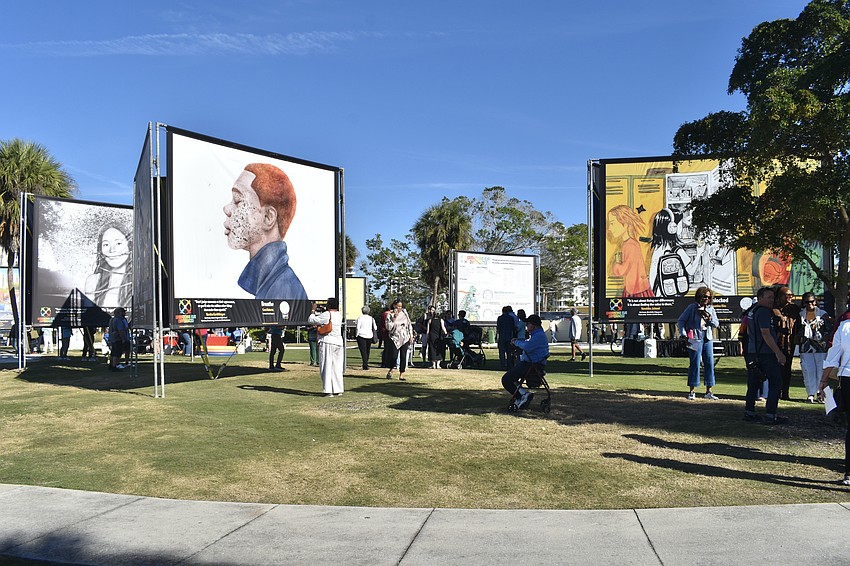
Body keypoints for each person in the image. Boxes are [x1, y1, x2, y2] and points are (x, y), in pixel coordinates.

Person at [222, 163, 307, 301]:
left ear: (268, 217)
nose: (226, 209)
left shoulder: (281, 289)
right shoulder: (271, 282)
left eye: (237, 200)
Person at [744, 287, 788, 424]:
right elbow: (766, 333)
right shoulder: (763, 312)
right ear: (760, 298)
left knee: (753, 383)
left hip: (753, 351)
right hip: (765, 353)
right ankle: (770, 414)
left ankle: (749, 412)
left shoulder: (752, 310)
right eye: (769, 297)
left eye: (772, 297)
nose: (772, 300)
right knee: (776, 382)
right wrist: (778, 352)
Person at [817, 314, 850, 486]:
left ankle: (849, 473)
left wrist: (823, 381)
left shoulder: (844, 327)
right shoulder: (844, 326)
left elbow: (833, 356)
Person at [677, 287, 720, 400]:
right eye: (704, 296)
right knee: (695, 364)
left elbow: (716, 324)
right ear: (699, 296)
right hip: (695, 338)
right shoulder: (692, 308)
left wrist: (709, 318)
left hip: (707, 338)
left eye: (709, 297)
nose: (706, 299)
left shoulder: (711, 309)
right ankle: (692, 391)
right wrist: (684, 334)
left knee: (709, 363)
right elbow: (681, 320)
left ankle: (709, 391)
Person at [501, 314, 549, 410]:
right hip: (532, 364)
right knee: (511, 376)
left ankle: (522, 396)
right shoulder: (537, 335)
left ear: (534, 326)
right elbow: (528, 345)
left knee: (506, 379)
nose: (526, 326)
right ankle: (523, 394)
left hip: (531, 365)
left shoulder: (538, 336)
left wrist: (516, 342)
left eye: (528, 324)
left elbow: (527, 347)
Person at [607, 204, 653, 297]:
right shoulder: (630, 243)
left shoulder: (629, 245)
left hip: (636, 291)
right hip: (636, 288)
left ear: (625, 223)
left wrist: (616, 262)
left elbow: (621, 271)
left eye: (612, 223)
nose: (609, 228)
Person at [84, 222, 132, 308]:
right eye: (106, 244)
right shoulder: (92, 281)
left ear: (130, 246)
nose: (112, 250)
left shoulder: (140, 282)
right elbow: (88, 317)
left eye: (118, 243)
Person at [799, 292, 832, 403]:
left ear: (815, 301)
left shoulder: (823, 314)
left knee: (821, 370)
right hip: (806, 347)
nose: (810, 304)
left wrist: (823, 339)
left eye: (812, 301)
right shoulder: (801, 315)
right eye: (807, 302)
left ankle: (820, 393)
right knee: (808, 370)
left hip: (820, 347)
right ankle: (810, 394)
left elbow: (829, 329)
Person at [307, 298, 344, 396]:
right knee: (337, 366)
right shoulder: (339, 315)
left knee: (326, 365)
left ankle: (328, 390)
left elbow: (311, 320)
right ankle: (338, 389)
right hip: (338, 342)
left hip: (328, 341)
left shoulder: (327, 314)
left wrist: (313, 310)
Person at [773, 285, 800, 400]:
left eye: (791, 295)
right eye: (787, 295)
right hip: (776, 342)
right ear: (780, 297)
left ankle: (785, 393)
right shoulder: (773, 309)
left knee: (787, 368)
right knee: (776, 368)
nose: (790, 297)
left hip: (789, 342)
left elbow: (798, 324)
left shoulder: (794, 309)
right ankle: (776, 391)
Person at [385, 299, 414, 381]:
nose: (399, 308)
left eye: (400, 307)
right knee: (394, 356)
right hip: (395, 338)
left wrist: (411, 335)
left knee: (403, 356)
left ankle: (402, 374)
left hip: (404, 337)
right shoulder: (389, 315)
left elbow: (409, 325)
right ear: (394, 306)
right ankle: (391, 370)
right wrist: (394, 319)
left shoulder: (405, 313)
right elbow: (388, 327)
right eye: (398, 306)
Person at [425, 305, 447, 369]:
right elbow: (443, 328)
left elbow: (428, 330)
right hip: (439, 337)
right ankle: (438, 364)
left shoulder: (430, 320)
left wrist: (427, 337)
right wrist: (446, 333)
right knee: (439, 349)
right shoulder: (441, 320)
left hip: (432, 336)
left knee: (432, 349)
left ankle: (433, 364)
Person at [355, 306, 377, 370]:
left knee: (363, 351)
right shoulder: (371, 318)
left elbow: (358, 327)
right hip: (369, 335)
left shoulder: (360, 318)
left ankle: (365, 364)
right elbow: (375, 327)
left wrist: (356, 335)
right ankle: (366, 363)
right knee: (367, 350)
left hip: (361, 335)